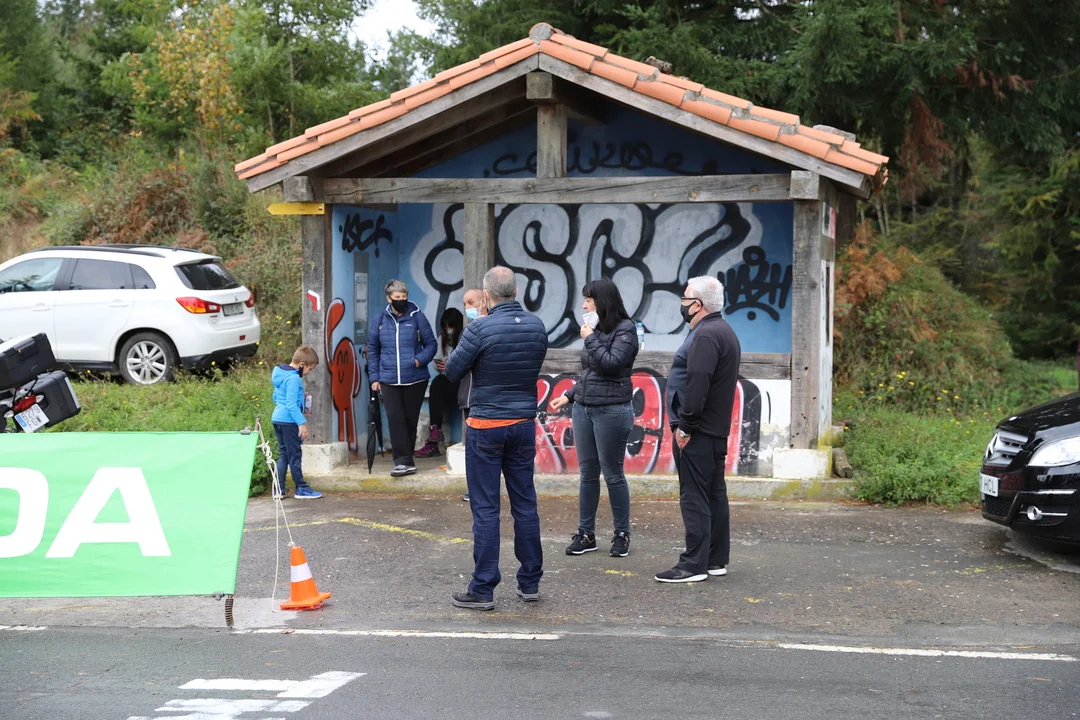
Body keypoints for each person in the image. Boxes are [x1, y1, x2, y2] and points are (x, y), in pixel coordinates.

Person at [445, 267, 548, 610]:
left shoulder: (479, 328)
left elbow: (453, 371)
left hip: (486, 425)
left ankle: (483, 588)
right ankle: (530, 582)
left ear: (486, 297)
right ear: (515, 292)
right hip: (522, 424)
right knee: (525, 504)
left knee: (486, 508)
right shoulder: (536, 326)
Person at [655, 276, 741, 583]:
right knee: (714, 494)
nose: (681, 303)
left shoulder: (705, 335)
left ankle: (693, 565)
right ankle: (715, 559)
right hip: (713, 430)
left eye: (685, 298)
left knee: (694, 496)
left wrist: (686, 427)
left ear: (698, 305)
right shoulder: (723, 330)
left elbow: (698, 382)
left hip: (699, 431)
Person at [550, 278, 639, 558]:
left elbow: (611, 364)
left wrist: (589, 337)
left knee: (613, 474)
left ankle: (622, 534)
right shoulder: (596, 329)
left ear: (602, 301)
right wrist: (570, 395)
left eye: (588, 299)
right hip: (584, 408)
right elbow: (590, 372)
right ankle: (586, 534)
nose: (584, 305)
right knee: (588, 474)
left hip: (612, 410)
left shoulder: (626, 329)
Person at [367, 279, 437, 478]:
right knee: (394, 418)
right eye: (397, 297)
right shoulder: (379, 320)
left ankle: (407, 460)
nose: (401, 300)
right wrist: (374, 377)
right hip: (388, 379)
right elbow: (373, 350)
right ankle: (402, 461)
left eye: (404, 297)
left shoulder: (417, 316)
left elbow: (431, 345)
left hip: (415, 378)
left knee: (409, 420)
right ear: (389, 298)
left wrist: (418, 360)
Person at [271, 345, 323, 499]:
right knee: (294, 455)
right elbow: (291, 404)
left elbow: (275, 397)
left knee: (284, 454)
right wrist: (302, 423)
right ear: (302, 364)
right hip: (289, 421)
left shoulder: (280, 374)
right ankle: (301, 488)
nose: (309, 372)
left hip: (277, 418)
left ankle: (278, 489)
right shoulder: (293, 378)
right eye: (310, 369)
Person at [415, 307, 464, 459]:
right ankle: (434, 432)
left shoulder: (466, 338)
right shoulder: (441, 339)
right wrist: (441, 365)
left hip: (464, 383)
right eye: (445, 327)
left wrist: (452, 365)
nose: (448, 330)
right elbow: (436, 362)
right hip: (448, 380)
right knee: (437, 383)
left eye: (451, 326)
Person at [456, 288, 488, 502]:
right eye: (464, 304)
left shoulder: (488, 329)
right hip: (468, 397)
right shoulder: (467, 331)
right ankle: (474, 489)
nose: (467, 308)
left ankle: (483, 490)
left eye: (471, 302)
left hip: (485, 399)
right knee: (472, 449)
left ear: (484, 302)